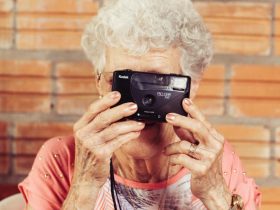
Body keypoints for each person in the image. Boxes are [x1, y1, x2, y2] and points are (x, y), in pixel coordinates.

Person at [18, 0, 261, 209]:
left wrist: (216, 194)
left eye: (157, 83)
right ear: (99, 82)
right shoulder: (61, 158)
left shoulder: (214, 159)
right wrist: (84, 185)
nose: (138, 105)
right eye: (121, 82)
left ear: (192, 85)